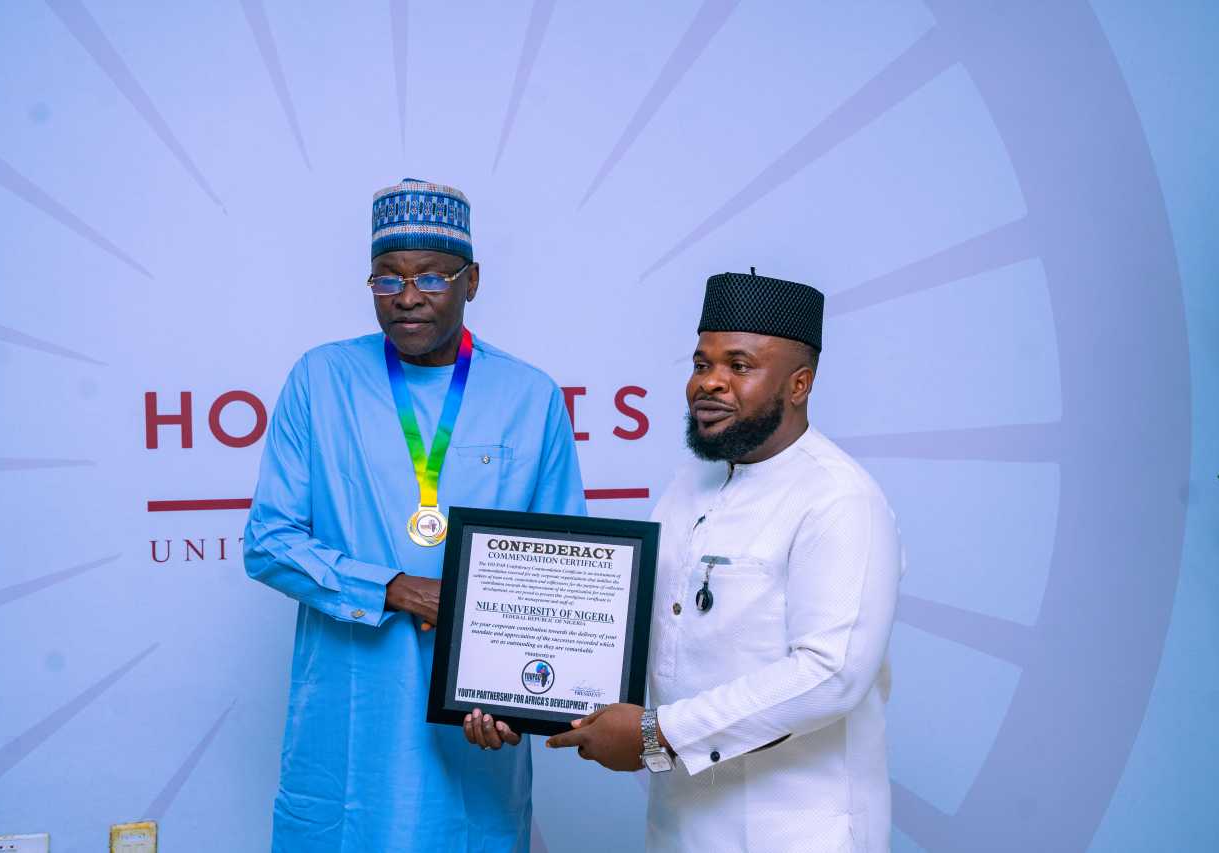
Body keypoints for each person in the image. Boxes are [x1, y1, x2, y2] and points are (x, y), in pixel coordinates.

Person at [244, 178, 586, 852]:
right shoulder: (320, 380)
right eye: (386, 278)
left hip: (474, 725)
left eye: (431, 276)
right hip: (351, 716)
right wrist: (393, 588)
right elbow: (269, 540)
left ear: (472, 281)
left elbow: (564, 568)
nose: (406, 296)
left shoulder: (529, 395)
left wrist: (524, 702)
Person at [545, 271, 904, 852]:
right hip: (683, 823)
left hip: (795, 830)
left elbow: (831, 675)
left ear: (799, 384)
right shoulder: (690, 484)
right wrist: (533, 695)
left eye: (739, 366)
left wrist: (656, 734)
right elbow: (648, 631)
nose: (709, 384)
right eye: (701, 363)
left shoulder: (839, 499)